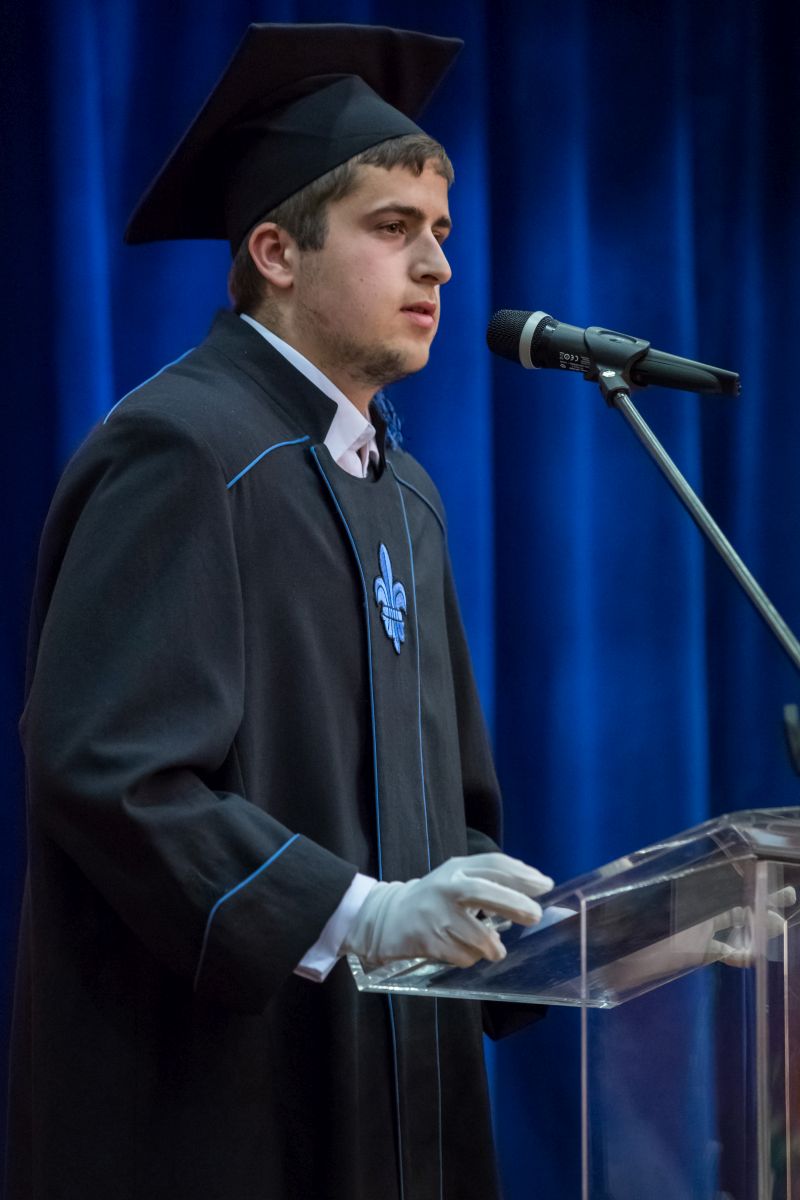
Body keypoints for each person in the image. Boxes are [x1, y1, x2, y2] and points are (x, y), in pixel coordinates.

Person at [6, 23, 553, 1200]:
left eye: (441, 232)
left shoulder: (401, 493)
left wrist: (577, 934)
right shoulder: (184, 449)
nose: (437, 267)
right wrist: (359, 914)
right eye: (392, 228)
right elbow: (109, 770)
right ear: (276, 252)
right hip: (219, 1103)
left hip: (400, 1091)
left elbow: (447, 817)